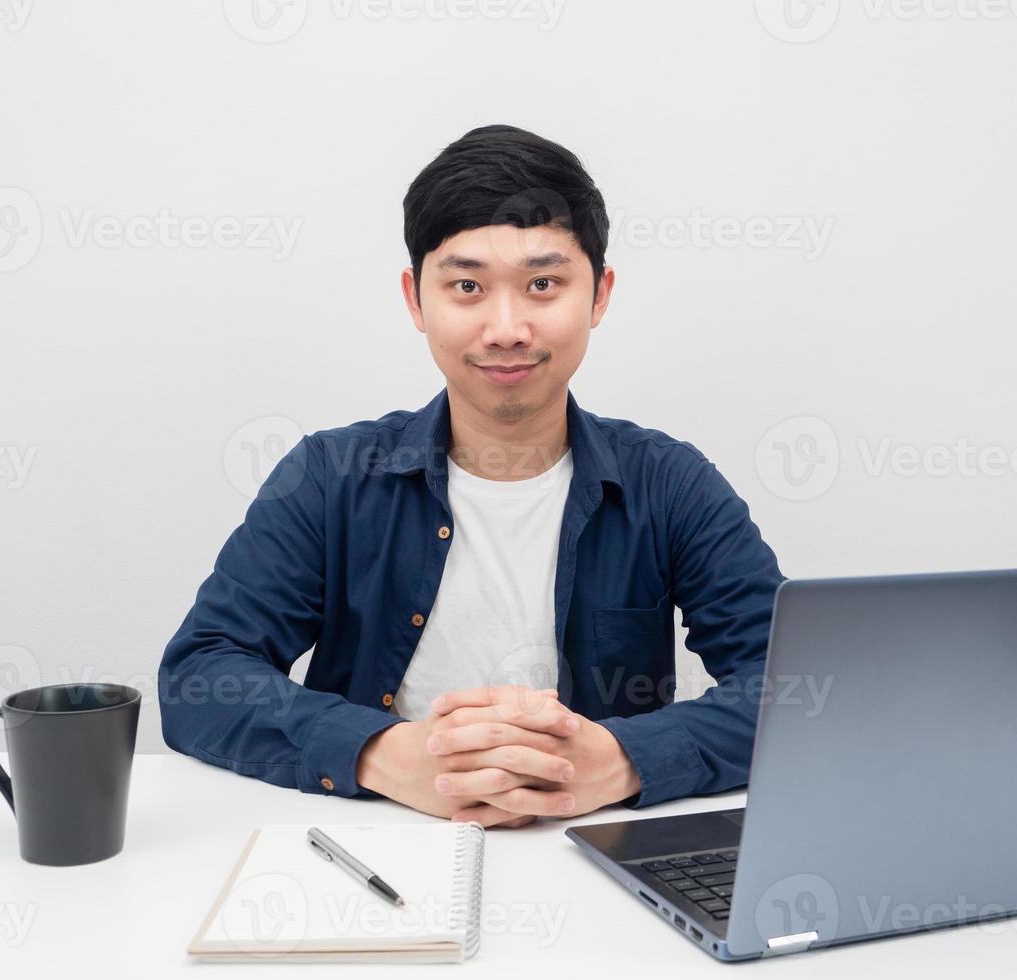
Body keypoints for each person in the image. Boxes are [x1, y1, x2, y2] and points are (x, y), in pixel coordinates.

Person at [158, 124, 785, 829]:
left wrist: (621, 756)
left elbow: (794, 687)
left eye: (542, 284)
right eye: (466, 286)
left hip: (594, 846)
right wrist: (382, 754)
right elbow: (198, 678)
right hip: (373, 841)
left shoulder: (671, 485)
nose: (506, 327)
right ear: (416, 299)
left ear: (599, 295)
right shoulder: (328, 477)